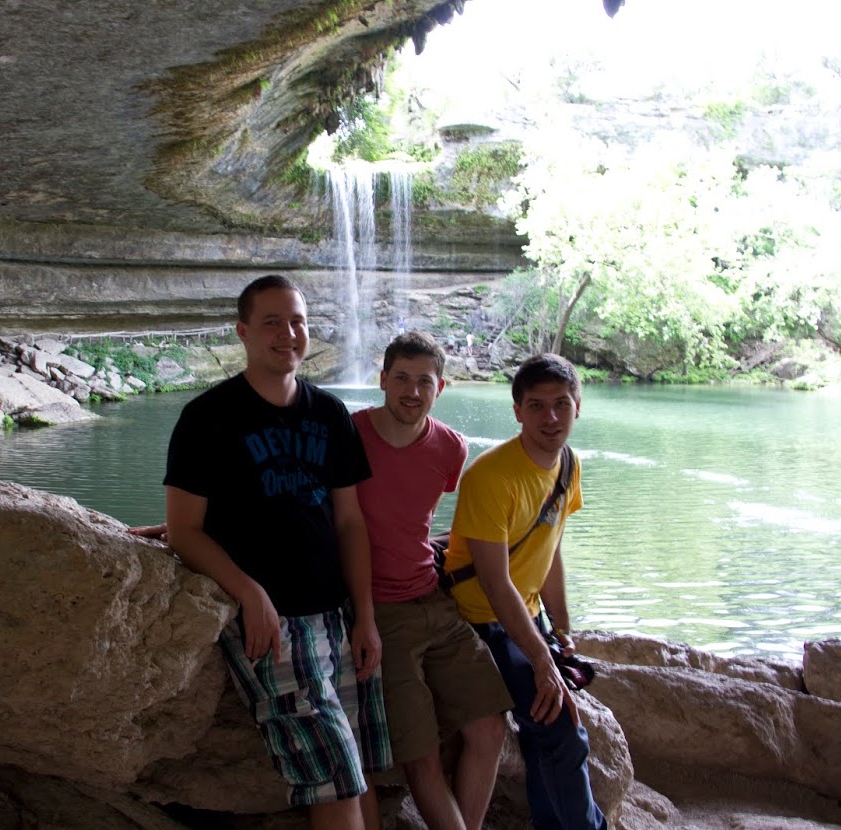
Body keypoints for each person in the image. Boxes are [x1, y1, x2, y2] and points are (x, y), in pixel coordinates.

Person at [163, 275, 390, 829]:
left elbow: (350, 522)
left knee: (357, 771)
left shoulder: (331, 415)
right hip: (270, 625)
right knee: (335, 775)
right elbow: (183, 531)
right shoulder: (206, 418)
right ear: (243, 332)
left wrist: (365, 618)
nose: (288, 334)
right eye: (272, 322)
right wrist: (249, 591)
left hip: (336, 617)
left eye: (298, 322)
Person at [441, 353, 607, 830]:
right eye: (536, 405)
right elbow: (495, 584)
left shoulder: (568, 465)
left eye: (560, 404)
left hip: (525, 617)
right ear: (517, 411)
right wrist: (542, 661)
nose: (550, 418)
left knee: (545, 734)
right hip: (480, 622)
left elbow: (549, 550)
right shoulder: (490, 477)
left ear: (578, 406)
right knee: (560, 728)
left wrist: (561, 631)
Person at [353, 331, 511, 830]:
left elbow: (418, 522)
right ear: (382, 380)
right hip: (380, 613)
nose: (411, 391)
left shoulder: (450, 449)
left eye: (424, 381)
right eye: (401, 378)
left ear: (440, 388)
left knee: (489, 727)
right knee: (419, 754)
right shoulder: (347, 435)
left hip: (435, 602)